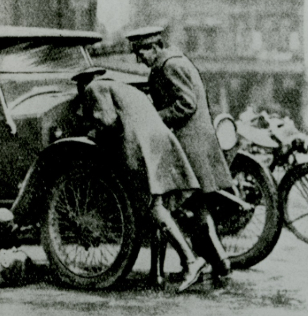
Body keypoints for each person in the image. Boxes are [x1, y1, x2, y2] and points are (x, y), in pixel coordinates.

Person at [72, 67, 206, 292]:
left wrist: (91, 135)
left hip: (143, 147)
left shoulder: (95, 88)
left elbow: (108, 123)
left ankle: (191, 261)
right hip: (160, 142)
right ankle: (157, 275)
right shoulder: (123, 86)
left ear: (84, 83)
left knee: (154, 208)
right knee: (157, 207)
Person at [126, 26, 233, 278]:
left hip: (189, 147)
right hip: (197, 144)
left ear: (154, 47)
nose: (139, 59)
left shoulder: (169, 66)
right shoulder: (175, 60)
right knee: (198, 211)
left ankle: (192, 266)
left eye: (141, 52)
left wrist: (154, 117)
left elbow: (186, 104)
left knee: (181, 210)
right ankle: (219, 264)